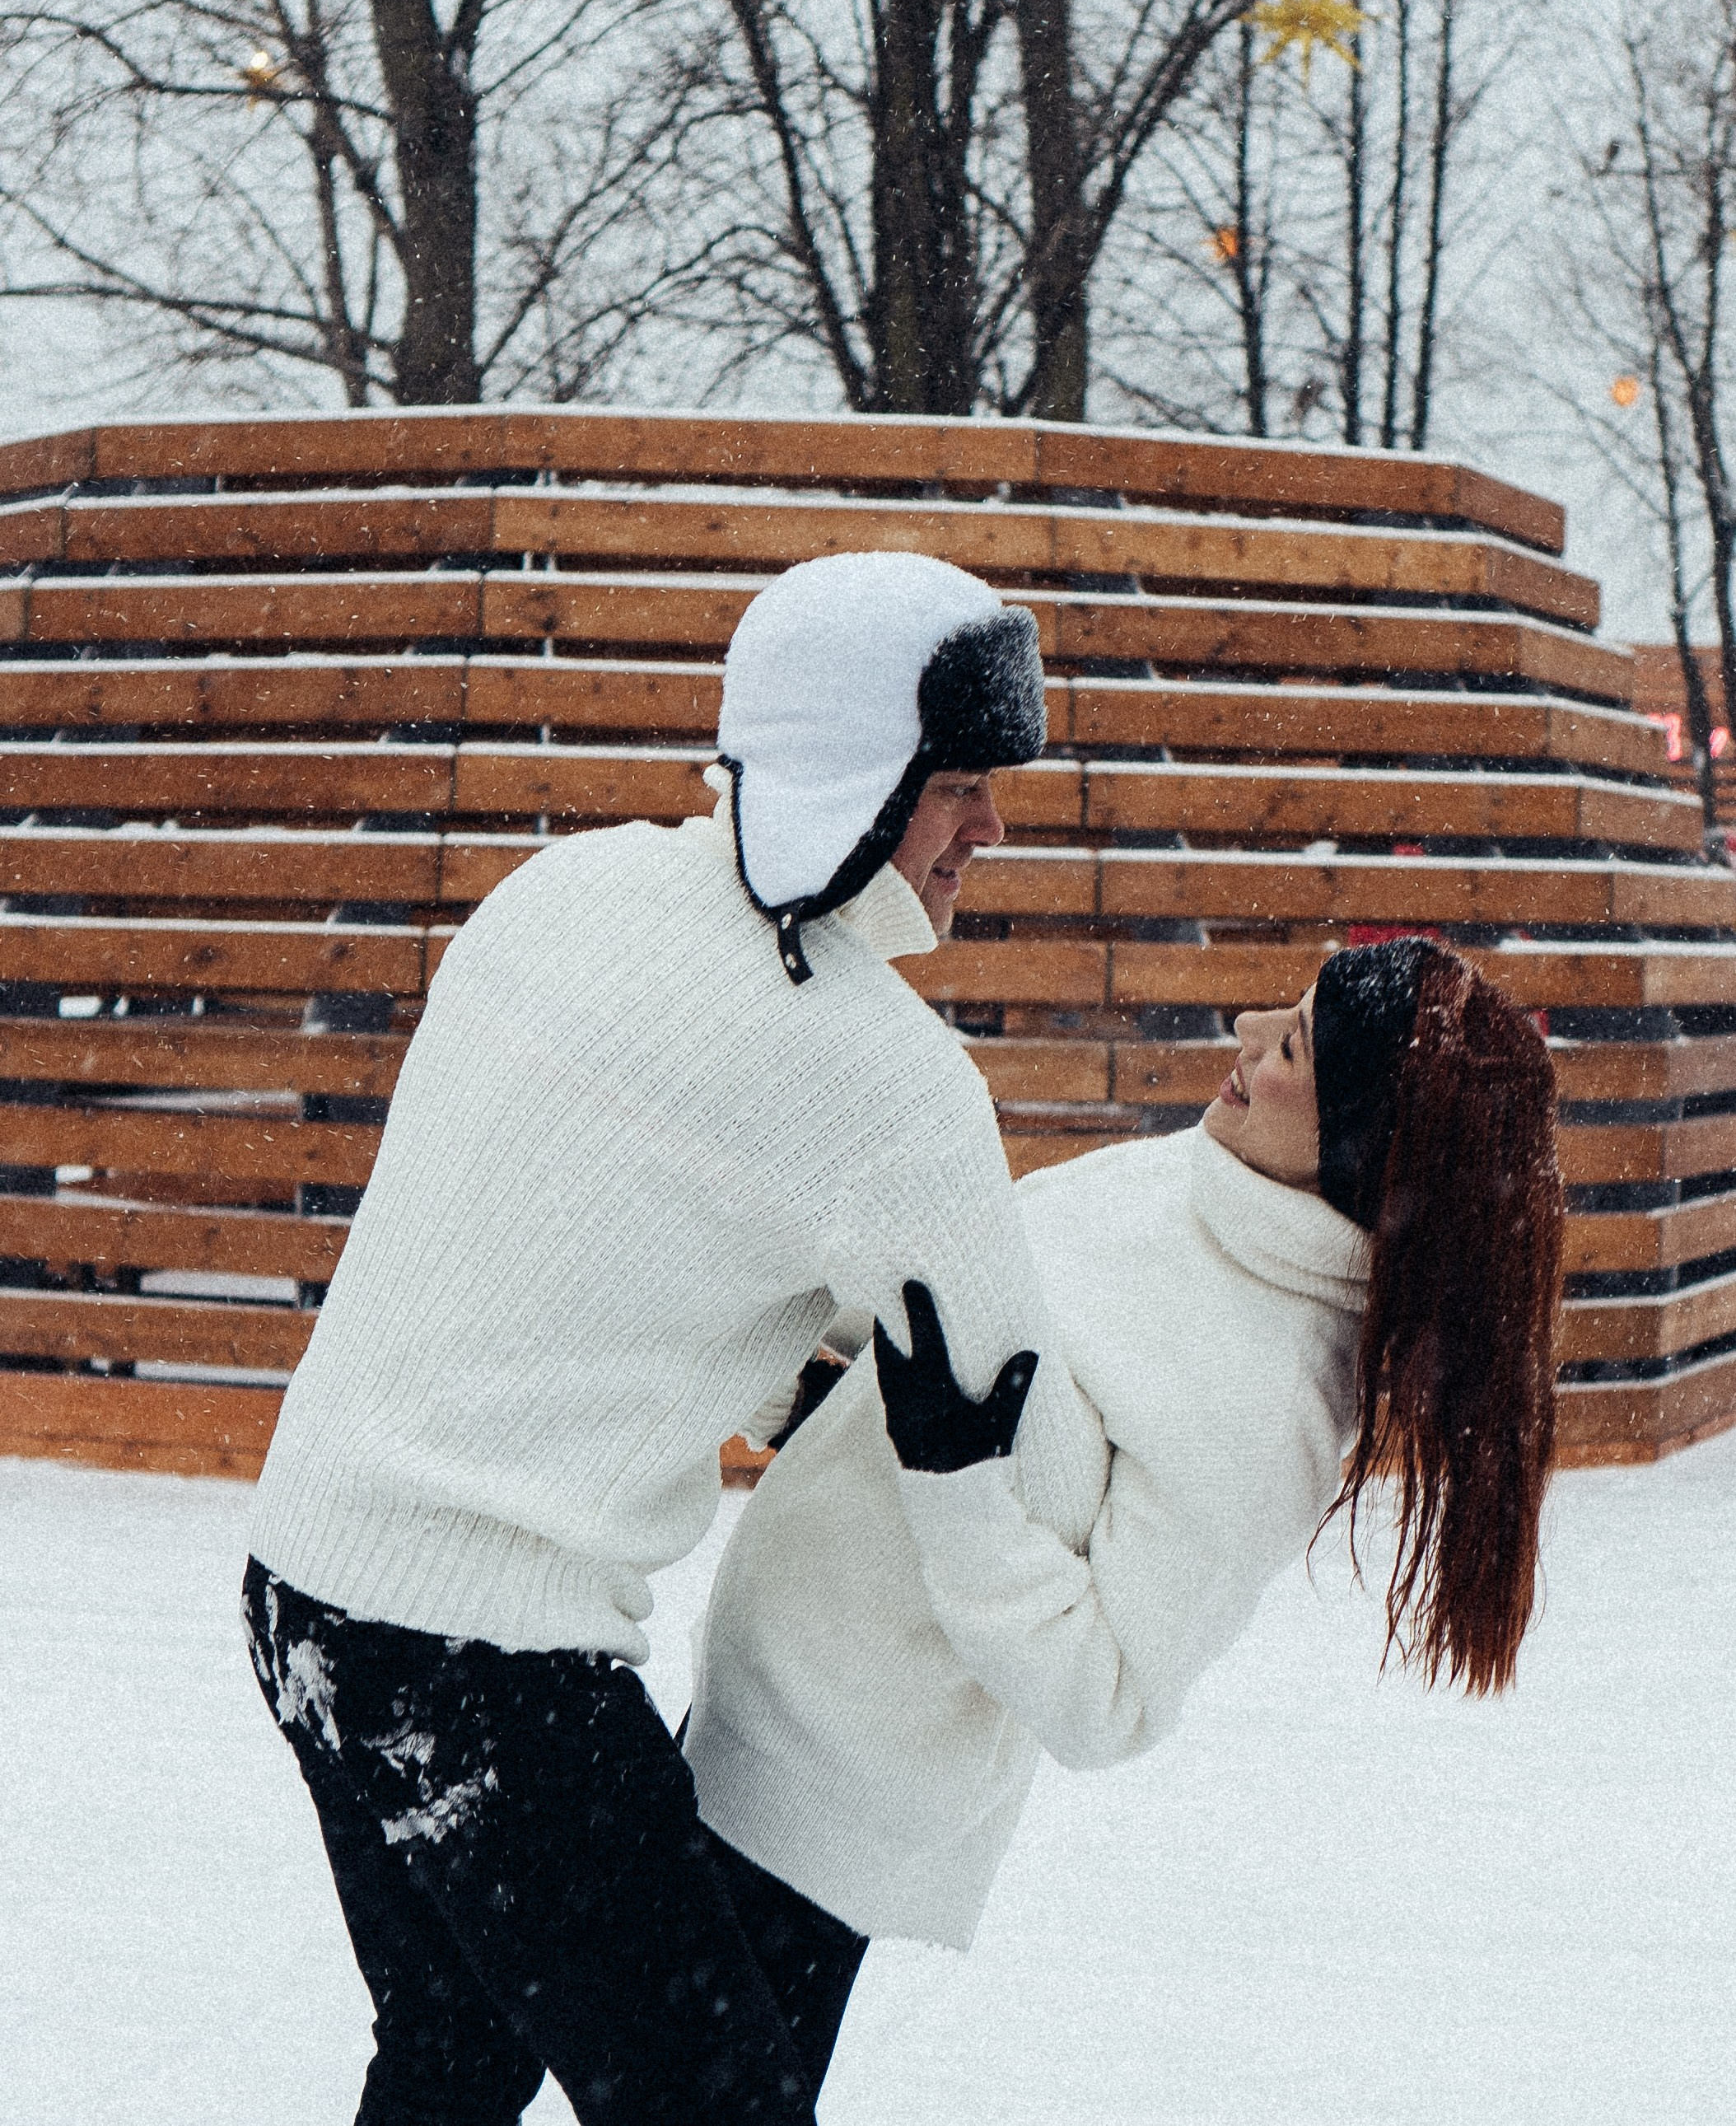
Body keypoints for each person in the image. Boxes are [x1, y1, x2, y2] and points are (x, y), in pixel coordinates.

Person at [240, 549, 1108, 2126]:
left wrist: (785, 1370)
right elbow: (1038, 1448)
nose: (993, 826)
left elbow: (571, 1229)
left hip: (302, 1591)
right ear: (861, 774)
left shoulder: (564, 886)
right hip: (485, 1659)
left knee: (452, 2054)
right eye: (961, 784)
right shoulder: (891, 1081)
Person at [684, 935, 1564, 2084]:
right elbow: (996, 1356)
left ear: (1358, 1146)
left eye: (1290, 1042)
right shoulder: (1214, 1184)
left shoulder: (1269, 1394)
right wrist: (848, 1402)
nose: (1246, 1035)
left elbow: (1107, 1696)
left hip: (825, 1795)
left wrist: (953, 1480)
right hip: (755, 1697)